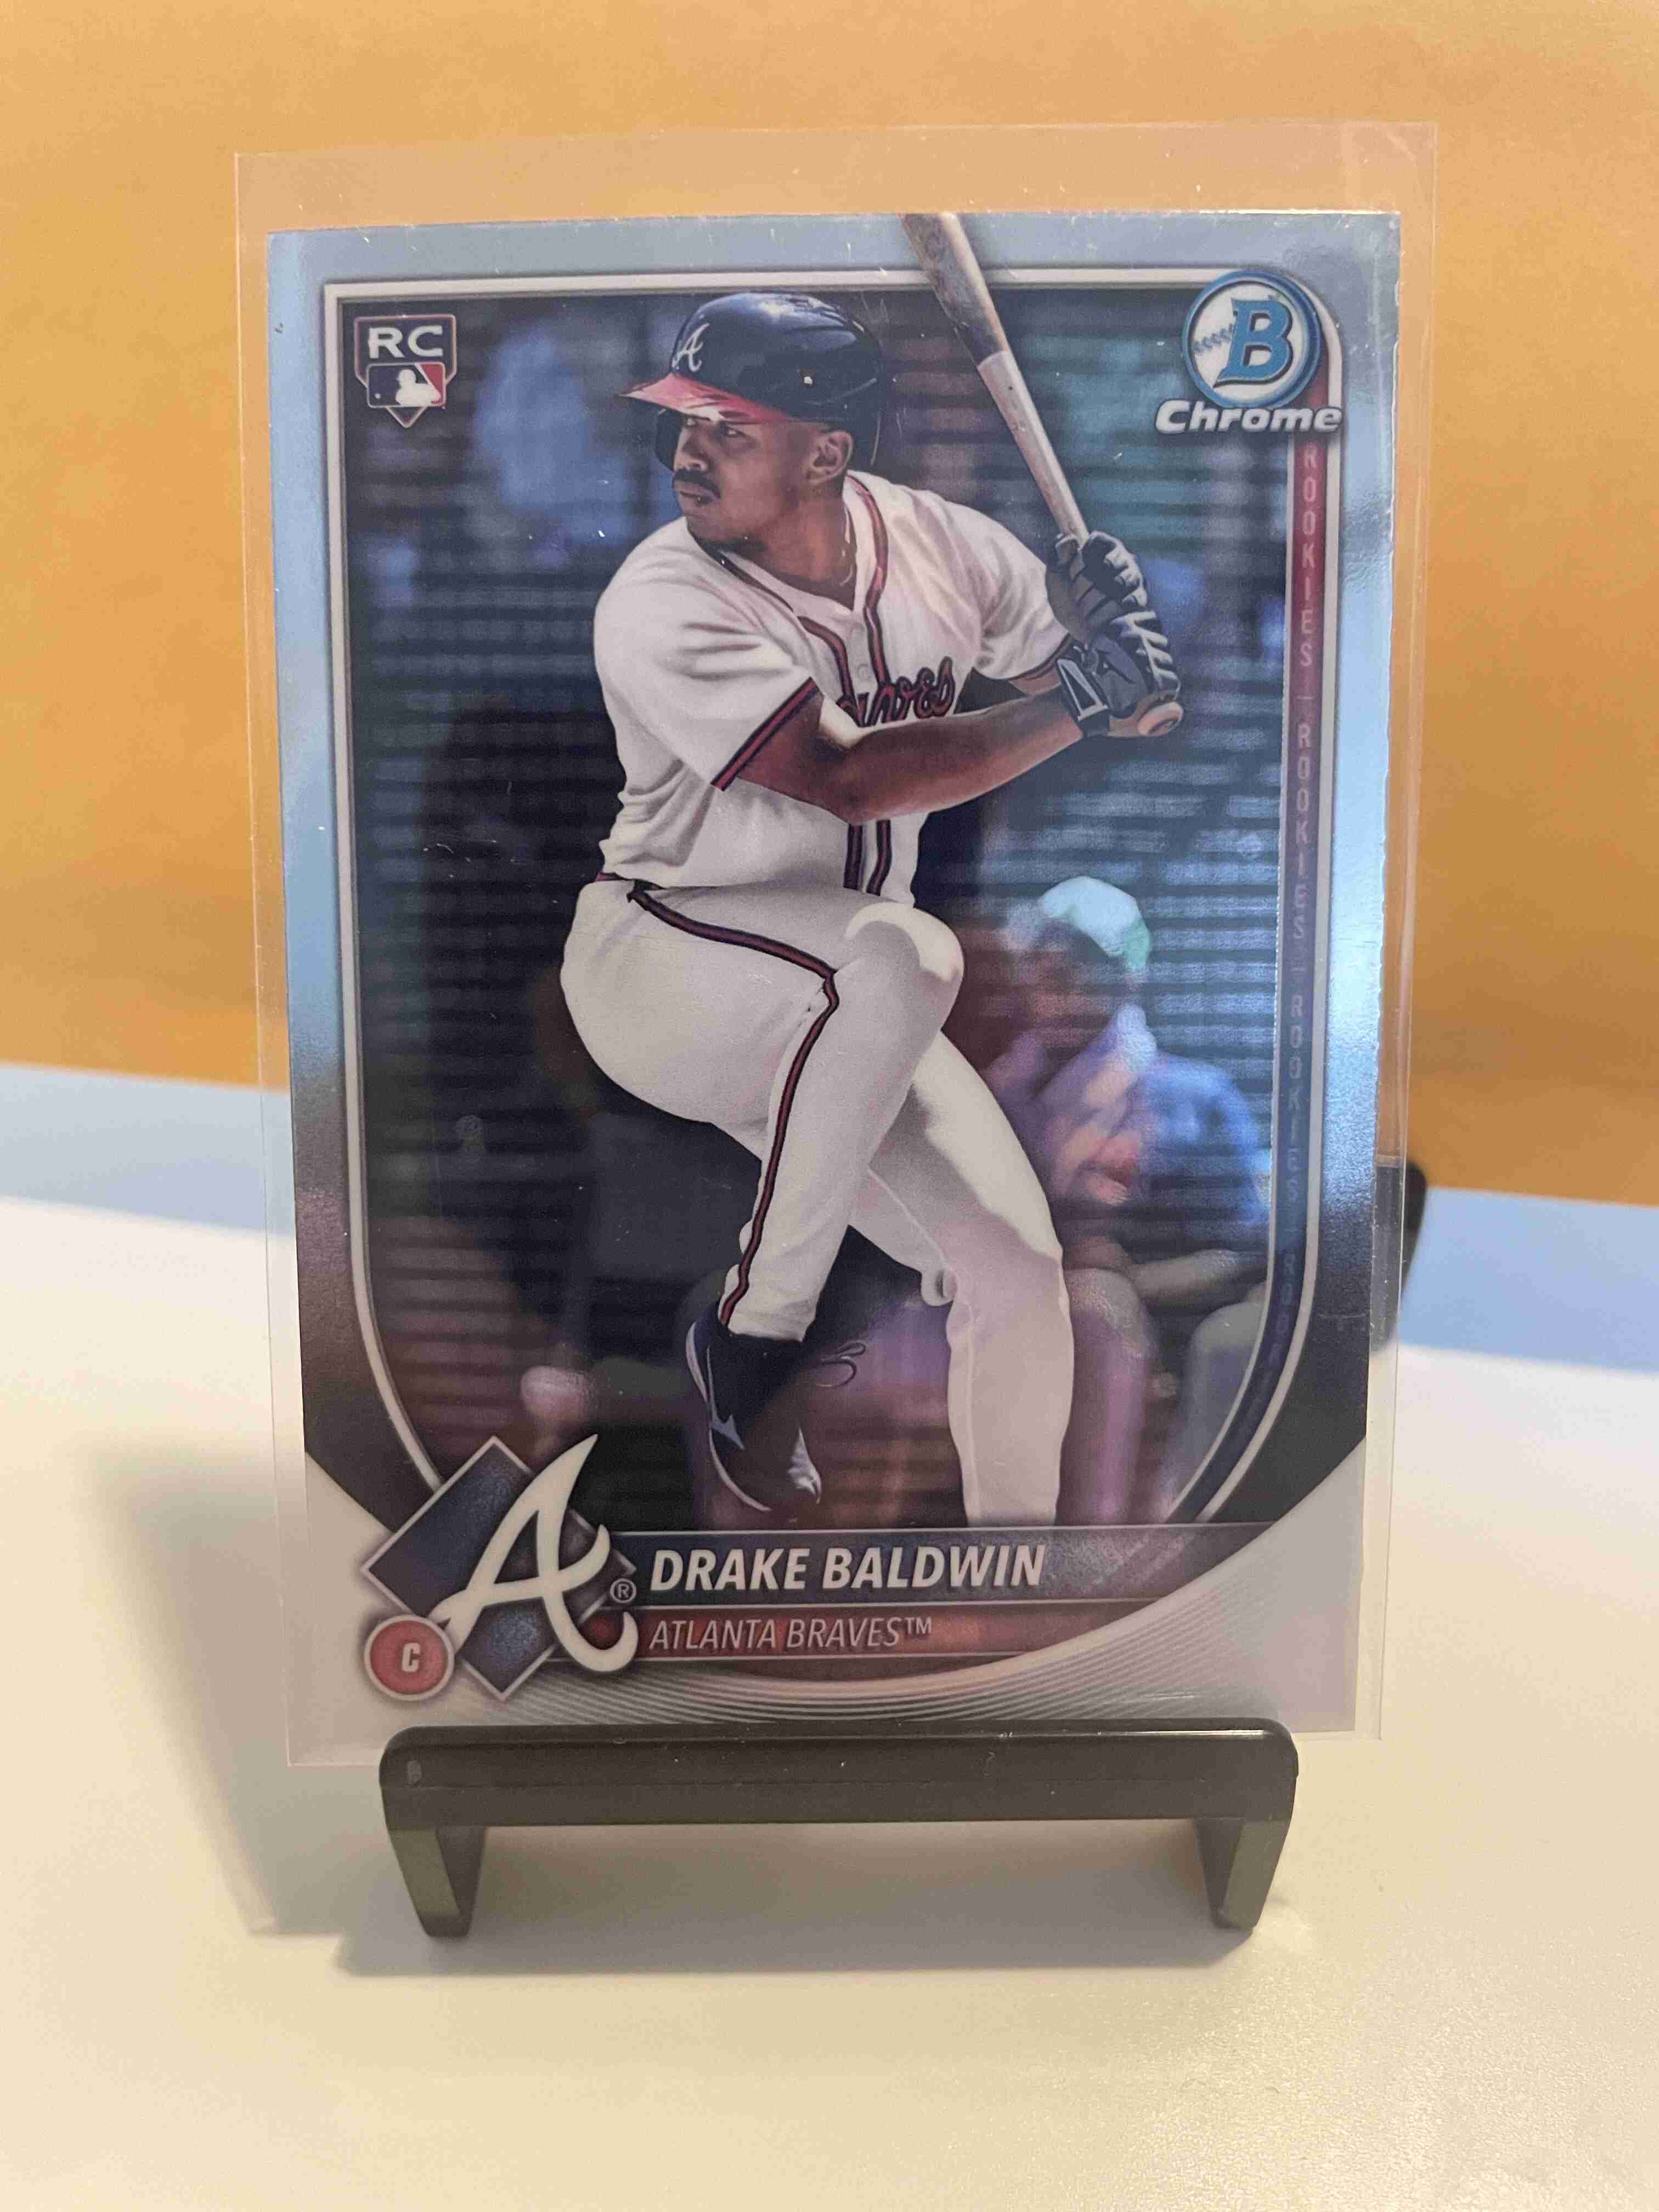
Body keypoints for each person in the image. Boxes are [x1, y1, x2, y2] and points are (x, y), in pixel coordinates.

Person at [559, 292, 1179, 1523]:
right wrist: (1078, 697)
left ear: (825, 453)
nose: (688, 450)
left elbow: (1120, 698)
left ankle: (1015, 1568)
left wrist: (1113, 632)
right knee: (906, 953)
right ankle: (754, 1335)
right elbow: (844, 778)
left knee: (1019, 1270)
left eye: (729, 427)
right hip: (663, 966)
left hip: (845, 1011)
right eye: (685, 421)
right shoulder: (660, 595)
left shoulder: (937, 544)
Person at [988, 876, 1271, 1513]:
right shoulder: (997, 1096)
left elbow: (1243, 1257)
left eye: (1077, 959)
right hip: (1003, 1319)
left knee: (1094, 1311)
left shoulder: (1198, 1099)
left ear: (1126, 974)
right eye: (1041, 958)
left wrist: (1133, 1281)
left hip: (1145, 1336)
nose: (1054, 976)